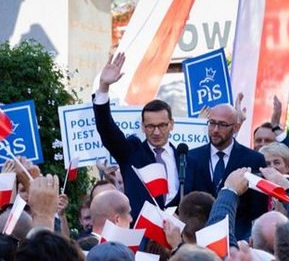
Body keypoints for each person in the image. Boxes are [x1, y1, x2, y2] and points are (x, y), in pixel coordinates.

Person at [94, 52, 183, 218]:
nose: (156, 132)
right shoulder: (131, 153)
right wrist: (104, 87)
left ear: (171, 124)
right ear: (142, 127)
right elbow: (107, 129)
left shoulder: (185, 158)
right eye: (150, 126)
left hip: (176, 237)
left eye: (162, 125)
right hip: (141, 236)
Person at [184, 103, 267, 241]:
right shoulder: (192, 156)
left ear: (236, 127)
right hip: (198, 238)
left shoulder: (253, 159)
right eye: (212, 123)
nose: (215, 130)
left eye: (222, 124)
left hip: (237, 238)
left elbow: (258, 208)